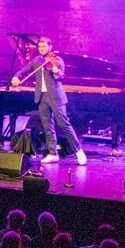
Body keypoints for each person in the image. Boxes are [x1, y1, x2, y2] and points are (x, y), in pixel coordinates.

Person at [24, 37, 85, 169]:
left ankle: (78, 151)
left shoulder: (57, 60)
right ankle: (52, 153)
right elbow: (26, 69)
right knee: (47, 126)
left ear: (50, 47)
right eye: (40, 47)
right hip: (42, 97)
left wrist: (56, 72)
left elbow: (61, 76)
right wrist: (16, 77)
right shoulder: (37, 61)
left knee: (64, 124)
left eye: (44, 47)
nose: (42, 49)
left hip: (56, 97)